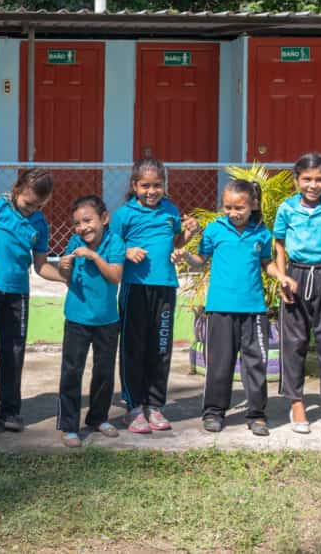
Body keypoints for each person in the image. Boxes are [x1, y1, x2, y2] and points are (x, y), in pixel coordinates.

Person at [174, 179, 297, 436]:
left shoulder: (262, 233)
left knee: (255, 363)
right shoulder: (214, 230)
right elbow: (200, 261)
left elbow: (267, 263)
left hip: (253, 310)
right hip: (220, 309)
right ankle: (214, 412)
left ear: (252, 205)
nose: (233, 213)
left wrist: (281, 276)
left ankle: (257, 414)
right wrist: (186, 256)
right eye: (228, 207)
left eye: (239, 208)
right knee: (220, 363)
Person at [0, 168, 64, 431]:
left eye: (39, 205)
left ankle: (10, 411)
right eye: (28, 204)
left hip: (18, 293)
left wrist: (66, 278)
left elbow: (41, 266)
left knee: (13, 351)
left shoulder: (39, 223)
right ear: (17, 191)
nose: (32, 209)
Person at [112, 157, 198, 434]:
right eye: (145, 186)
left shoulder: (170, 211)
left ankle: (155, 404)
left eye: (157, 186)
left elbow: (174, 242)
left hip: (165, 287)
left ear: (164, 186)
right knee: (133, 347)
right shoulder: (124, 214)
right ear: (135, 186)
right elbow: (110, 245)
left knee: (160, 347)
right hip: (135, 288)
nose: (151, 191)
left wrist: (187, 235)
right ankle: (133, 406)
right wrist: (125, 252)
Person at [273, 153, 321, 437]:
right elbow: (279, 244)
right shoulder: (286, 209)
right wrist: (283, 279)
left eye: (319, 179)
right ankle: (297, 404)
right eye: (306, 179)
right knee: (293, 344)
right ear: (297, 180)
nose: (313, 185)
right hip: (295, 277)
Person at [55, 195, 125, 448]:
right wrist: (64, 266)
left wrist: (94, 257)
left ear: (104, 219)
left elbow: (116, 276)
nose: (82, 227)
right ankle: (69, 425)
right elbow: (66, 276)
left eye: (88, 220)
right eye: (77, 223)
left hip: (107, 319)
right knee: (72, 371)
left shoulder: (115, 242)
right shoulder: (74, 241)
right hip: (77, 318)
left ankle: (98, 417)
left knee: (104, 371)